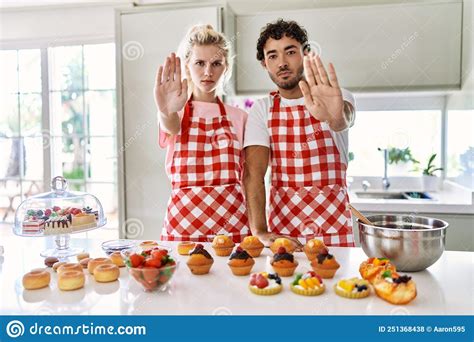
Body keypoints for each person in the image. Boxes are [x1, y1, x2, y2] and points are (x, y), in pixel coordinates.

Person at [243, 19, 356, 249]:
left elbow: (342, 120)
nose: (282, 63)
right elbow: (254, 173)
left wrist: (335, 114)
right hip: (285, 237)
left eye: (290, 52)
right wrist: (260, 230)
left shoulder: (335, 95)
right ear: (264, 64)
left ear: (305, 54)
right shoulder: (262, 109)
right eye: (272, 56)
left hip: (333, 234)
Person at [155, 24, 250, 242]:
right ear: (187, 66)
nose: (208, 72)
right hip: (183, 228)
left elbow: (248, 178)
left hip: (233, 229)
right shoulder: (174, 113)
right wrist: (164, 110)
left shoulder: (239, 117)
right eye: (200, 63)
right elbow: (170, 125)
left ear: (226, 68)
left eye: (216, 64)